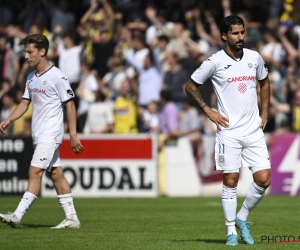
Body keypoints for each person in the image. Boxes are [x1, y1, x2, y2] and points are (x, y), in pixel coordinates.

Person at [185, 15, 271, 246]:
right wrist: (208, 111)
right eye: (235, 33)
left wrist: (264, 113)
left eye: (242, 32)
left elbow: (264, 82)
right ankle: (231, 231)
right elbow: (190, 86)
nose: (241, 36)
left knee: (264, 179)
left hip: (253, 129)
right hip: (229, 131)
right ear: (224, 36)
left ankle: (242, 217)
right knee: (230, 180)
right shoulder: (214, 62)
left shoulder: (254, 57)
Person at [0, 34, 84, 229]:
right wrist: (9, 119)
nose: (26, 56)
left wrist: (72, 134)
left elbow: (70, 106)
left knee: (34, 171)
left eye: (30, 52)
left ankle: (18, 215)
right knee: (55, 174)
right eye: (25, 52)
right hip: (39, 134)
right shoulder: (31, 78)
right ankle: (72, 218)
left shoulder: (58, 76)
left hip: (51, 133)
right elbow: (24, 103)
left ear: (42, 51)